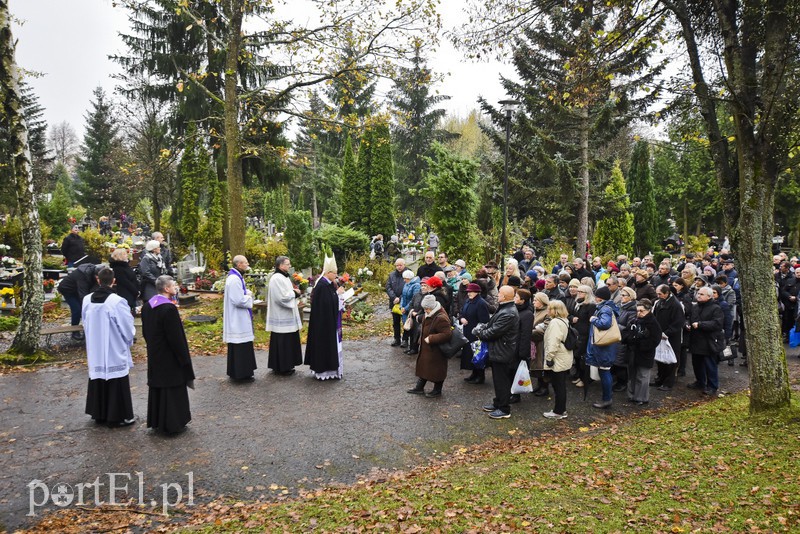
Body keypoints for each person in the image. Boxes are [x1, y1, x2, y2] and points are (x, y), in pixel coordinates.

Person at [141, 275, 195, 434]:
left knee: (158, 386)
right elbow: (176, 337)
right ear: (166, 289)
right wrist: (183, 358)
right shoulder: (169, 309)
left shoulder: (147, 306)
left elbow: (145, 331)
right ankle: (173, 423)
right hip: (169, 355)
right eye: (174, 285)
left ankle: (157, 420)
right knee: (171, 389)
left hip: (155, 352)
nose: (177, 287)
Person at [83, 267, 136, 427]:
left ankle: (99, 413)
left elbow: (84, 321)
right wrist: (129, 340)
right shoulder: (117, 301)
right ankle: (118, 416)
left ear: (98, 280)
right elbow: (127, 326)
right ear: (114, 281)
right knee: (116, 378)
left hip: (95, 347)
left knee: (98, 376)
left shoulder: (87, 299)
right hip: (113, 345)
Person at [475, 286, 520, 419]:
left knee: (502, 380)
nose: (497, 295)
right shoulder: (504, 307)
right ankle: (498, 402)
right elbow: (491, 325)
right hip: (499, 349)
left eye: (499, 293)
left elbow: (494, 331)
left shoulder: (508, 312)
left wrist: (479, 332)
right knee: (498, 379)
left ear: (505, 296)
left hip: (503, 351)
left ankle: (504, 409)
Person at [304, 255, 345, 380]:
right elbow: (325, 303)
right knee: (323, 345)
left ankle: (329, 368)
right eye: (335, 273)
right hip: (323, 323)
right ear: (328, 272)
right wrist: (337, 294)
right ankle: (323, 370)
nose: (336, 276)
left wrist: (336, 295)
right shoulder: (322, 285)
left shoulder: (328, 284)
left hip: (327, 321)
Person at [406, 294, 452, 397]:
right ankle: (419, 387)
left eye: (426, 308)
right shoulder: (430, 313)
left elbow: (447, 334)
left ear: (432, 307)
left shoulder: (441, 318)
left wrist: (431, 338)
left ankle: (437, 390)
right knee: (424, 367)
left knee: (437, 370)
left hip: (436, 350)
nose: (425, 310)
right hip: (427, 348)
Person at [265, 256, 303, 376]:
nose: (289, 266)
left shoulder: (283, 277)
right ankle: (282, 367)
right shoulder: (276, 278)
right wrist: (294, 293)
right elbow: (281, 297)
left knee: (287, 341)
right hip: (281, 316)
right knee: (283, 342)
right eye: (288, 264)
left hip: (286, 315)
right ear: (281, 265)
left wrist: (293, 293)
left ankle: (285, 365)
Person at [224, 255, 258, 381]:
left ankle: (241, 372)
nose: (247, 264)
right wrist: (249, 297)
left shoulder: (237, 277)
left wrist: (246, 293)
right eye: (245, 263)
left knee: (242, 344)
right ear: (239, 264)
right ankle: (241, 374)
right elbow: (238, 300)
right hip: (237, 318)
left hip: (239, 317)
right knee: (240, 345)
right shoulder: (234, 279)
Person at [622, 298, 662, 405]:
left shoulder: (653, 323)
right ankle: (632, 395)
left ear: (648, 310)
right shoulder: (634, 320)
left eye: (641, 311)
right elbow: (626, 332)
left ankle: (641, 398)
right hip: (632, 352)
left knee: (642, 376)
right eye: (638, 311)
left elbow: (655, 339)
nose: (639, 313)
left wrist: (640, 343)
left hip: (644, 353)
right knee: (632, 375)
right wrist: (629, 339)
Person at [587, 285, 620, 409]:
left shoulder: (605, 309)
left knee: (604, 371)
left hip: (604, 347)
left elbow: (604, 324)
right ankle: (607, 397)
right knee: (604, 371)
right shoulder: (607, 307)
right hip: (606, 346)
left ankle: (607, 399)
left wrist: (593, 319)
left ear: (599, 298)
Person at [687, 286, 724, 395]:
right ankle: (700, 382)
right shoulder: (695, 307)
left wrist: (700, 324)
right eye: (698, 293)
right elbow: (690, 318)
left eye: (702, 294)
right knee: (696, 363)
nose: (698, 295)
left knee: (710, 365)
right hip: (696, 340)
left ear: (709, 296)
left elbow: (717, 323)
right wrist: (688, 325)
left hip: (708, 341)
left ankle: (712, 386)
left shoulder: (716, 308)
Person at [543, 300, 574, 419]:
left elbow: (553, 342)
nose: (547, 311)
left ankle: (558, 411)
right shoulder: (564, 320)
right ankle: (561, 409)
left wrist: (549, 358)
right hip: (564, 356)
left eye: (549, 309)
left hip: (558, 357)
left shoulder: (555, 322)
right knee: (560, 385)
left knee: (558, 385)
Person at [652, 284, 685, 391]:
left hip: (670, 337)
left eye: (660, 294)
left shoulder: (675, 305)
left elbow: (678, 322)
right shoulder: (659, 302)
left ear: (667, 293)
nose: (658, 296)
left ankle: (668, 383)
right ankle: (660, 379)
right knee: (660, 359)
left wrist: (667, 333)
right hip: (660, 335)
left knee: (671, 360)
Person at [56, 262, 100, 340]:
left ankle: (87, 330)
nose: (98, 280)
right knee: (77, 309)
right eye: (97, 278)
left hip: (77, 289)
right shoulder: (82, 275)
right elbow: (83, 295)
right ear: (94, 274)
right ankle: (75, 331)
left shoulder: (93, 275)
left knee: (85, 308)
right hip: (67, 289)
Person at [460, 282, 491, 384]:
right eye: (468, 291)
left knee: (478, 354)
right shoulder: (468, 301)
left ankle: (480, 376)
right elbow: (462, 312)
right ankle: (474, 373)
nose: (469, 293)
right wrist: (462, 318)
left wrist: (478, 332)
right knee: (470, 354)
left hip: (476, 334)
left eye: (471, 292)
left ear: (477, 292)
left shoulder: (481, 303)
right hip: (468, 332)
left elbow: (484, 320)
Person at [510, 289, 534, 404]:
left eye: (516, 297)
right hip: (512, 345)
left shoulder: (527, 314)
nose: (514, 298)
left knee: (516, 372)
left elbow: (526, 335)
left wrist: (523, 353)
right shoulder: (516, 310)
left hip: (518, 347)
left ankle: (516, 395)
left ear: (522, 300)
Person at [612, 286, 637, 392]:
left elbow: (629, 327)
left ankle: (623, 383)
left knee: (621, 362)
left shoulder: (633, 310)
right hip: (616, 338)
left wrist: (615, 326)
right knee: (615, 361)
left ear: (630, 297)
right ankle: (617, 380)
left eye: (624, 295)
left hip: (623, 339)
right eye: (621, 295)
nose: (621, 297)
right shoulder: (619, 306)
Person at [109, 248, 139, 313]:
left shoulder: (126, 266)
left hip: (131, 292)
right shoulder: (118, 268)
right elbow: (125, 282)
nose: (127, 255)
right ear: (120, 256)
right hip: (125, 293)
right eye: (125, 254)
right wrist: (135, 291)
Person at [386, 258, 408, 347]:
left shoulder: (408, 274)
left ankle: (405, 339)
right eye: (397, 265)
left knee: (405, 321)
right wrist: (394, 297)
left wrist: (400, 298)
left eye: (400, 265)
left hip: (405, 302)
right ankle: (397, 339)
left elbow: (409, 288)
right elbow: (388, 287)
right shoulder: (392, 275)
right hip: (394, 303)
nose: (399, 267)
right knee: (395, 322)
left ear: (404, 265)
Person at [400, 270, 420, 349]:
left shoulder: (416, 285)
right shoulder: (406, 284)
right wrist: (401, 306)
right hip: (404, 308)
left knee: (411, 326)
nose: (404, 280)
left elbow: (413, 299)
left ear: (410, 278)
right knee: (406, 325)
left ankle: (412, 344)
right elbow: (403, 296)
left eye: (405, 278)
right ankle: (405, 340)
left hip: (411, 309)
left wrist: (406, 308)